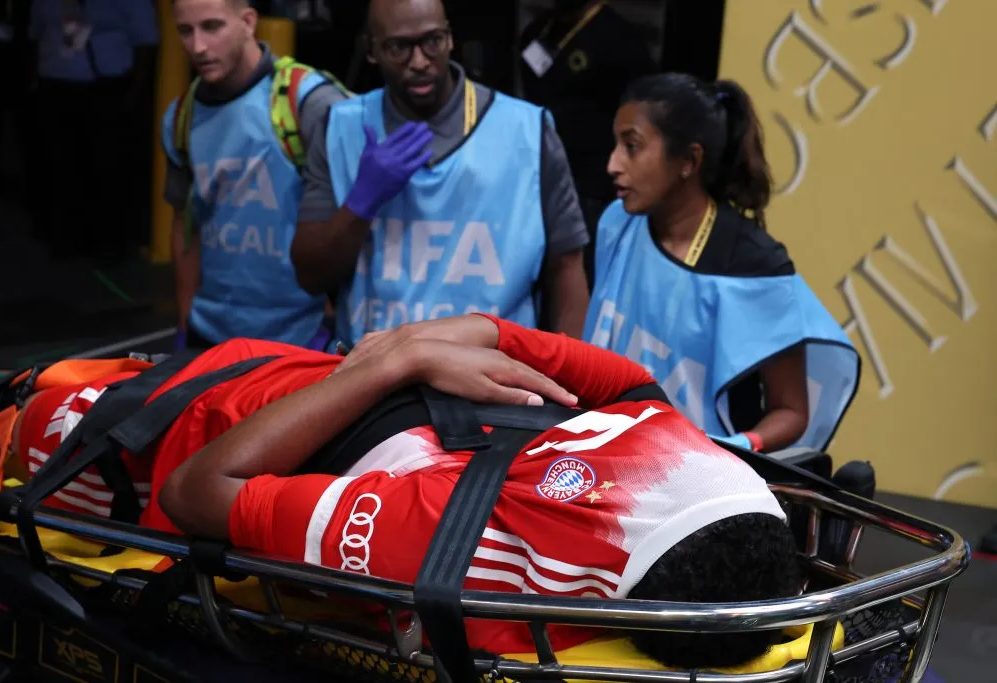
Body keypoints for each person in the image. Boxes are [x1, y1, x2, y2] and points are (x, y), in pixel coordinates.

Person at [0, 315, 801, 670]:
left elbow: (193, 489)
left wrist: (401, 361)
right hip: (272, 379)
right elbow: (488, 329)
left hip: (169, 429)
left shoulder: (460, 530)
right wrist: (402, 353)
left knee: (14, 427)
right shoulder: (646, 420)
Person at [289, 0, 592, 349]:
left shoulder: (527, 129)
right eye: (398, 47)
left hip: (497, 378)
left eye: (432, 41)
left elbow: (566, 266)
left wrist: (569, 375)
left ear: (450, 39)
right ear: (372, 52)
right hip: (372, 376)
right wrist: (362, 201)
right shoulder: (340, 127)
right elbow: (310, 276)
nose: (419, 62)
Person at [583, 73, 861, 454]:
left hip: (706, 481)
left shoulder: (754, 263)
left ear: (688, 161)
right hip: (603, 454)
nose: (613, 164)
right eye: (616, 144)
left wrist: (732, 448)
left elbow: (792, 411)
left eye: (631, 146)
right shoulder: (616, 223)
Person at [161, 0, 350, 351]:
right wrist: (186, 323)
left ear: (248, 22)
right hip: (211, 338)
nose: (198, 46)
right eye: (185, 31)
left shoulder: (308, 103)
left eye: (212, 27)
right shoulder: (180, 119)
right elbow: (184, 224)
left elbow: (355, 218)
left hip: (301, 337)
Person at [518, 0, 656, 287]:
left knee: (579, 271)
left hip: (591, 185)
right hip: (537, 173)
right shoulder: (541, 29)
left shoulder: (622, 41)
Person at [29, 0, 158, 263]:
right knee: (61, 165)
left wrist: (132, 96)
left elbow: (146, 43)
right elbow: (36, 33)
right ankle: (66, 238)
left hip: (105, 87)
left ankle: (107, 243)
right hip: (56, 85)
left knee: (105, 167)